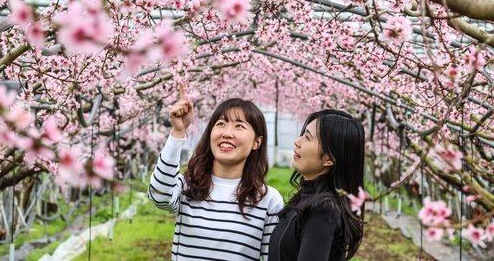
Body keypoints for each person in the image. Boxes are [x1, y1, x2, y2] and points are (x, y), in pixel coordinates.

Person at [148, 84, 284, 261]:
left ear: (256, 142)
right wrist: (178, 132)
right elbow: (159, 196)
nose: (227, 133)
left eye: (239, 126)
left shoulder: (268, 200)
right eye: (221, 124)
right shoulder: (188, 186)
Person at [268, 109, 365, 261]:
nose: (297, 141)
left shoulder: (324, 210)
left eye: (307, 137)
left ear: (329, 159)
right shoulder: (306, 198)